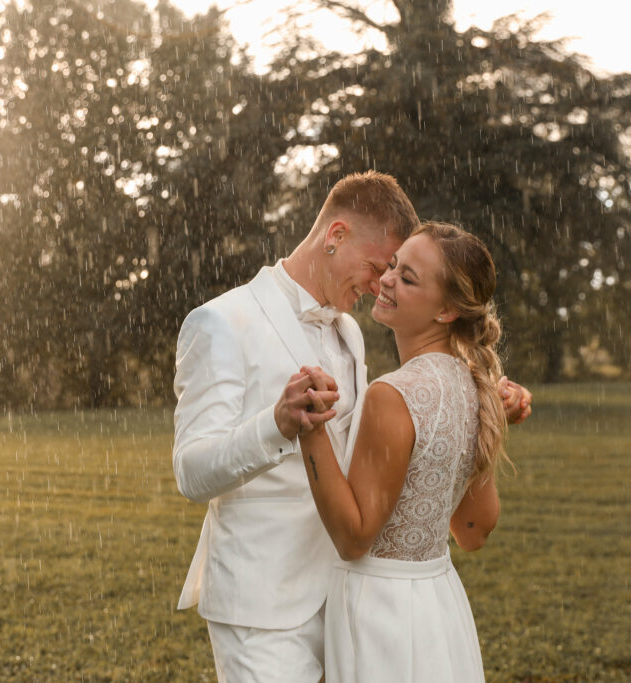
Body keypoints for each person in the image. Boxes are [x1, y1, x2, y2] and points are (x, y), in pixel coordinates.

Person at [172, 174, 531, 682]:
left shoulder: (349, 332)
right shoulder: (220, 322)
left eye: (397, 273)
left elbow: (389, 449)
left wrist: (478, 413)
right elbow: (191, 472)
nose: (378, 283)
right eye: (377, 266)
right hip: (264, 611)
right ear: (335, 235)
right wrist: (276, 424)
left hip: (353, 602)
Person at [297, 221, 513, 682]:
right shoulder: (476, 388)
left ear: (448, 310)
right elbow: (473, 530)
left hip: (380, 615)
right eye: (393, 265)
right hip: (438, 607)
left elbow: (354, 539)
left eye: (408, 277)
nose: (388, 279)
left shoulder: (392, 395)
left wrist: (310, 429)